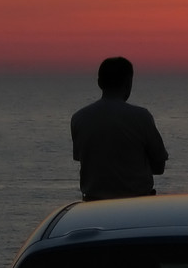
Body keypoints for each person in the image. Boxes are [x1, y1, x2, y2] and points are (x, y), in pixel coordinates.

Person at [70, 56, 168, 201]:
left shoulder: (79, 118)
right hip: (136, 204)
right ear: (128, 83)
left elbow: (80, 157)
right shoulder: (141, 117)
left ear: (99, 83)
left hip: (93, 204)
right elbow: (159, 166)